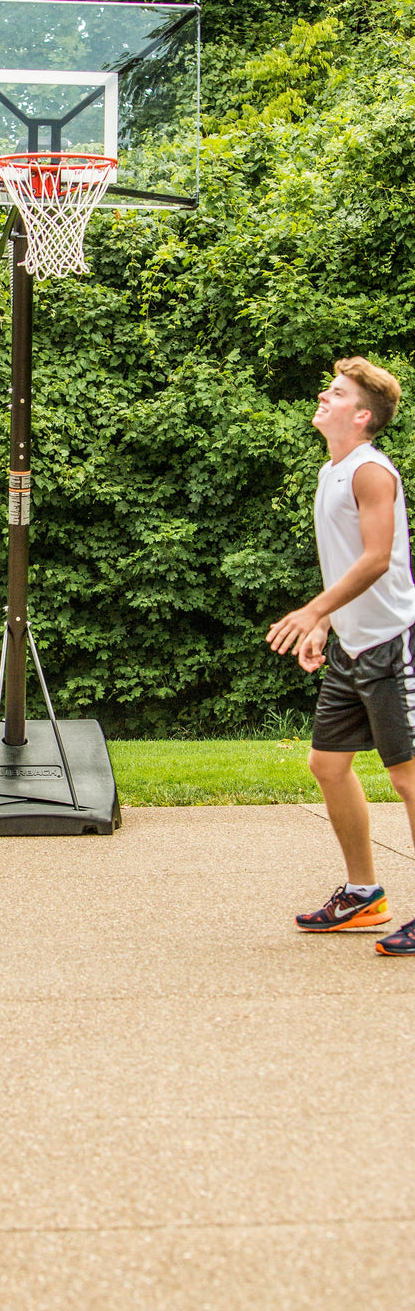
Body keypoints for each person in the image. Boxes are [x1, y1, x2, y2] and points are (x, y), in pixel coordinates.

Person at [267, 357, 415, 954]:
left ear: (361, 415)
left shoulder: (371, 472)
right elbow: (349, 561)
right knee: (328, 765)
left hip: (392, 642)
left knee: (408, 777)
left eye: (336, 393)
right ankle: (363, 894)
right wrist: (326, 622)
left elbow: (377, 558)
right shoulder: (332, 471)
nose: (323, 397)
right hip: (352, 646)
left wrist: (310, 609)